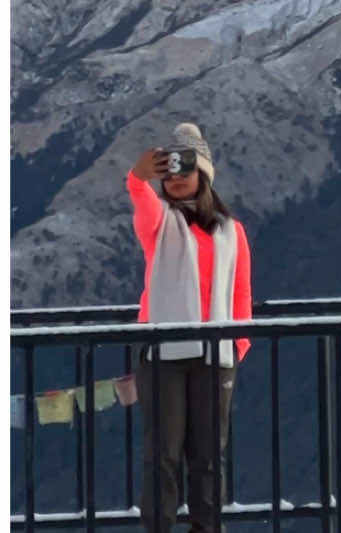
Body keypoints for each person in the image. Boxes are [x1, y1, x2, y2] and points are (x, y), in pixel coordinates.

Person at [127, 124, 253, 533]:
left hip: (216, 355)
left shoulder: (232, 231)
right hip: (162, 353)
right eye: (172, 169)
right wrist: (138, 176)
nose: (178, 176)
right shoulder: (158, 223)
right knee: (162, 455)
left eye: (187, 167)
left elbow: (241, 294)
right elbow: (142, 198)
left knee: (208, 457)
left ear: (204, 174)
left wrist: (238, 346)